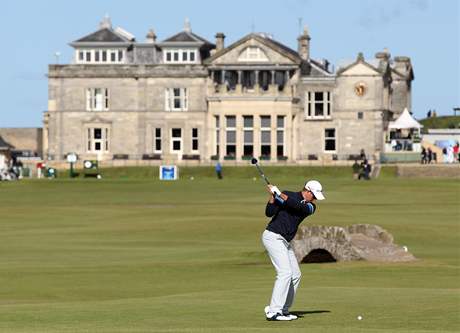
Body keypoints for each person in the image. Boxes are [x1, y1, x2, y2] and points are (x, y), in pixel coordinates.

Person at [262, 180, 325, 321]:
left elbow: (296, 206)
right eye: (314, 196)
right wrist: (273, 196)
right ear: (307, 191)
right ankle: (274, 311)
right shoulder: (287, 194)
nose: (315, 199)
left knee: (295, 274)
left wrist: (281, 195)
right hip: (272, 236)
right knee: (285, 272)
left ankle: (283, 309)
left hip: (284, 241)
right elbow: (269, 213)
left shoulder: (311, 207)